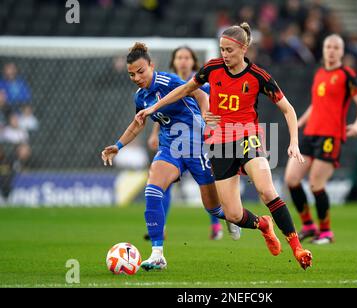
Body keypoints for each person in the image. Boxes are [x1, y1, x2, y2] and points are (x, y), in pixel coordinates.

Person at [135, 23, 313, 270]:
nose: (225, 55)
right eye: (222, 50)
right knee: (232, 214)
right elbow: (186, 89)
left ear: (244, 48)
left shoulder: (259, 77)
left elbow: (288, 109)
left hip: (247, 138)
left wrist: (294, 142)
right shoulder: (212, 68)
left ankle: (298, 248)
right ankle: (263, 225)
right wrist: (154, 108)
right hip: (220, 145)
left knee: (266, 190)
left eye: (229, 50)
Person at [101, 42, 240, 271]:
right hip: (170, 149)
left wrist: (206, 118)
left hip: (196, 146)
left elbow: (202, 97)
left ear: (151, 66)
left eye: (140, 71)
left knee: (213, 209)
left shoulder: (170, 82)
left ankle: (233, 218)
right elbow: (138, 125)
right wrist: (118, 145)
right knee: (152, 189)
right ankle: (157, 254)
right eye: (131, 74)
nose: (136, 77)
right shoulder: (140, 97)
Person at [284, 34, 357, 244]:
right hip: (310, 133)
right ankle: (308, 225)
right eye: (328, 47)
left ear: (341, 52)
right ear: (323, 50)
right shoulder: (320, 72)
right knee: (291, 179)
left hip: (330, 137)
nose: (331, 50)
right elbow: (317, 104)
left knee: (316, 184)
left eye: (335, 47)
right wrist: (300, 121)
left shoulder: (346, 74)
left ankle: (326, 232)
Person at [145, 46, 225, 241]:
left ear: (193, 62)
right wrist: (155, 133)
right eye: (179, 57)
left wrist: (212, 128)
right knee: (164, 184)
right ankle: (160, 227)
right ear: (173, 61)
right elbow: (163, 114)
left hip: (199, 143)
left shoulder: (201, 84)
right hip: (173, 144)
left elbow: (211, 106)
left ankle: (219, 223)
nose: (182, 61)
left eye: (186, 57)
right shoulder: (167, 85)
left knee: (207, 186)